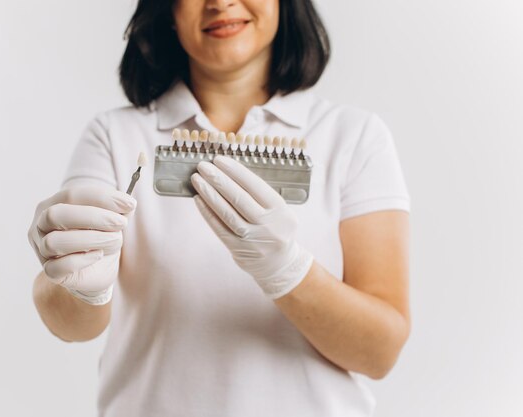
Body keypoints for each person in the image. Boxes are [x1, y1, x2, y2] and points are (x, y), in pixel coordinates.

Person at [27, 0, 412, 416]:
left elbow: (379, 353)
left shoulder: (353, 138)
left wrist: (287, 271)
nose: (221, 3)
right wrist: (76, 281)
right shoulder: (115, 137)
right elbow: (70, 323)